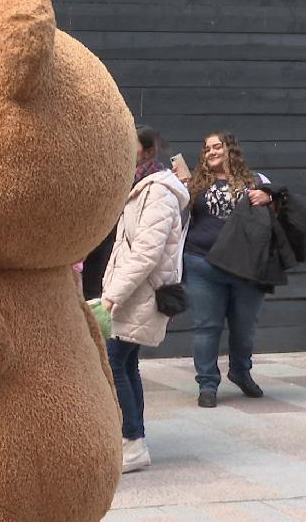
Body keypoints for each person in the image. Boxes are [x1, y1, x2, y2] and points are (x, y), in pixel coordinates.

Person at [100, 134, 188, 473]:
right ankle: (133, 440)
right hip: (132, 293)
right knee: (125, 363)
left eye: (131, 144)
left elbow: (146, 253)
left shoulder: (159, 193)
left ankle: (132, 441)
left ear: (148, 150)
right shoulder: (140, 188)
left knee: (114, 362)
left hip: (139, 295)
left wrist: (112, 295)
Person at [180, 131, 272, 409]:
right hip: (202, 264)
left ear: (231, 149)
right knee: (206, 327)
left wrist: (268, 198)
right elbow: (175, 215)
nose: (212, 152)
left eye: (217, 146)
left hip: (246, 267)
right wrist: (180, 186)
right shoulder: (193, 184)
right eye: (207, 148)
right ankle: (207, 383)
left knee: (245, 326)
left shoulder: (257, 181)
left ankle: (240, 371)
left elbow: (282, 207)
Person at [83, 125, 166, 300]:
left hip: (126, 254)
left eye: (132, 144)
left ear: (148, 152)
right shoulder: (119, 173)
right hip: (102, 245)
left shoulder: (156, 183)